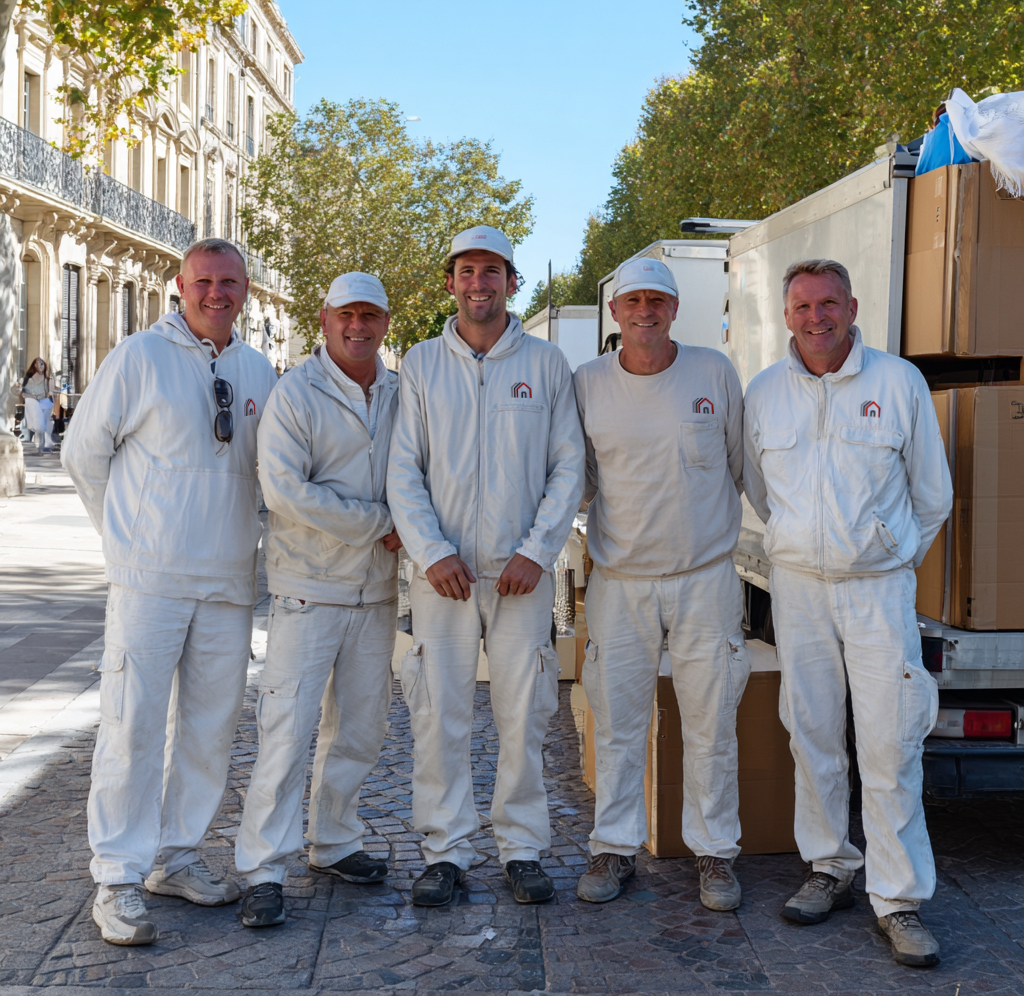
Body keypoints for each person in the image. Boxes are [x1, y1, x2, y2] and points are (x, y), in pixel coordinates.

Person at [61, 239, 278, 946]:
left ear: (245, 289)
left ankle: (177, 857)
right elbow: (82, 453)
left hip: (226, 582)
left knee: (211, 731)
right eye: (204, 281)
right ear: (180, 286)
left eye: (230, 282)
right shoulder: (138, 358)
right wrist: (124, 536)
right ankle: (118, 877)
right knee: (132, 726)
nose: (217, 293)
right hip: (149, 581)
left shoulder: (257, 370)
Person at [743, 259, 952, 968]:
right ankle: (828, 866)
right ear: (786, 315)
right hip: (798, 588)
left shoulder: (897, 383)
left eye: (828, 303)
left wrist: (886, 555)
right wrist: (802, 543)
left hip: (877, 591)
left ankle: (898, 899)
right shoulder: (765, 392)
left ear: (853, 306)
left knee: (891, 744)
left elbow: (932, 493)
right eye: (802, 306)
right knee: (812, 732)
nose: (817, 318)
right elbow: (761, 489)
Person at [388, 226, 585, 907]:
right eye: (467, 271)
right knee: (438, 715)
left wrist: (538, 550)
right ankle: (445, 852)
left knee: (524, 713)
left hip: (518, 577)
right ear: (450, 281)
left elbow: (568, 467)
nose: (480, 283)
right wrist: (432, 551)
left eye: (492, 271)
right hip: (442, 577)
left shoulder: (547, 364)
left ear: (511, 281)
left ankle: (523, 848)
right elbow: (402, 469)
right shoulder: (420, 364)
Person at [572, 256, 747, 909]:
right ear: (615, 312)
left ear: (675, 309)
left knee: (712, 721)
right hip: (620, 580)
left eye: (658, 301)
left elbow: (739, 464)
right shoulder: (586, 383)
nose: (645, 312)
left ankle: (715, 854)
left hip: (705, 578)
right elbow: (576, 477)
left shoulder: (713, 372)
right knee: (617, 722)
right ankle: (614, 848)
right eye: (633, 301)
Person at [235, 272, 402, 928]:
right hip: (308, 589)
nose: (357, 327)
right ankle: (263, 868)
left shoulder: (398, 391)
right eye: (346, 315)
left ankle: (334, 840)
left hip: (376, 590)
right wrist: (379, 523)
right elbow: (284, 491)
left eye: (369, 316)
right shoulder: (294, 394)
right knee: (287, 730)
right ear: (324, 318)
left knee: (360, 729)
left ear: (385, 322)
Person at [20, 357, 55, 454]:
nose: (40, 365)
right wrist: (31, 396)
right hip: (34, 403)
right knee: (39, 425)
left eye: (42, 363)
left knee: (43, 425)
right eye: (37, 363)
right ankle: (40, 447)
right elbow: (23, 393)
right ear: (33, 366)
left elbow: (52, 392)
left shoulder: (48, 380)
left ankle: (42, 446)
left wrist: (53, 391)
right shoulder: (27, 379)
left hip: (45, 403)